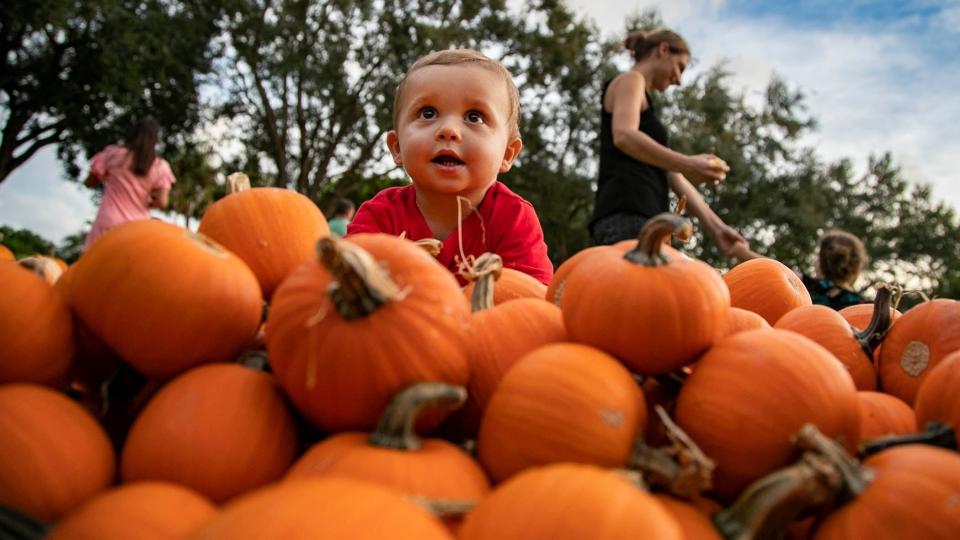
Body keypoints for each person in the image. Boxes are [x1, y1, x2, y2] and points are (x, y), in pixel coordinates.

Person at [347, 49, 553, 285]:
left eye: (474, 117)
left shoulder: (513, 218)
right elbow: (344, 283)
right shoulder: (381, 216)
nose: (449, 130)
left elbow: (528, 300)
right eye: (428, 113)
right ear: (397, 147)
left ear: (507, 154)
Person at [590, 29, 747, 254]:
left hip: (647, 222)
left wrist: (717, 228)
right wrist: (688, 163)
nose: (679, 80)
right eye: (680, 66)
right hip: (626, 216)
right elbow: (624, 134)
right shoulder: (630, 80)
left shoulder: (647, 107)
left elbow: (673, 175)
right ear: (663, 50)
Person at [82, 117, 176, 251]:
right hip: (137, 228)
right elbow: (162, 201)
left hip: (108, 221)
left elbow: (90, 182)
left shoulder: (113, 154)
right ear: (155, 140)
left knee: (92, 265)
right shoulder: (160, 166)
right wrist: (149, 201)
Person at [729, 229, 869, 310]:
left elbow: (773, 268)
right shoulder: (862, 305)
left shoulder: (808, 285)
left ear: (819, 263)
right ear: (857, 269)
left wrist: (743, 252)